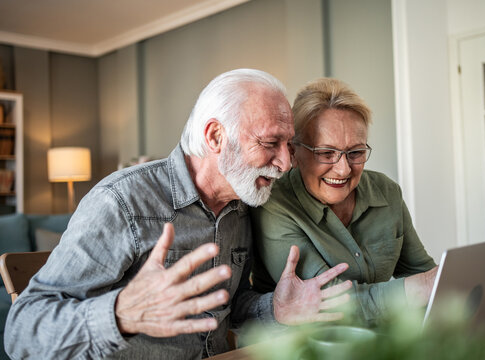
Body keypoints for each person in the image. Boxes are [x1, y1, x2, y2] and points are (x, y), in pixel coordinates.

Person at [5, 69, 352, 359]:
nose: (285, 162)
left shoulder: (242, 205)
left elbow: (226, 307)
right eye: (269, 144)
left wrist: (274, 308)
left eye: (288, 145)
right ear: (215, 136)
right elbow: (22, 332)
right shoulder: (123, 201)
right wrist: (120, 314)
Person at [251, 77, 438, 325]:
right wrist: (423, 286)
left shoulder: (387, 191)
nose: (343, 170)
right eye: (326, 153)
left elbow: (423, 273)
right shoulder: (274, 204)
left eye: (356, 153)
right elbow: (328, 302)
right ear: (294, 153)